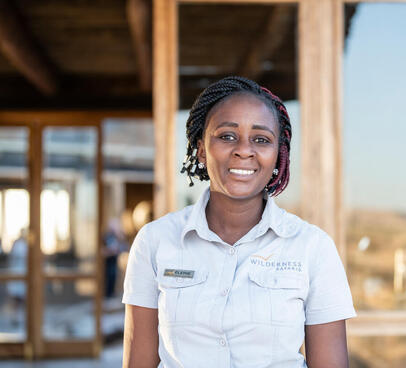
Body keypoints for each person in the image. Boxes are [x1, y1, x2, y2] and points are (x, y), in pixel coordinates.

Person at [122, 76, 356, 368]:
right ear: (202, 149)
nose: (244, 150)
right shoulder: (155, 241)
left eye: (261, 139)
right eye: (227, 136)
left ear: (277, 155)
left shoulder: (313, 248)